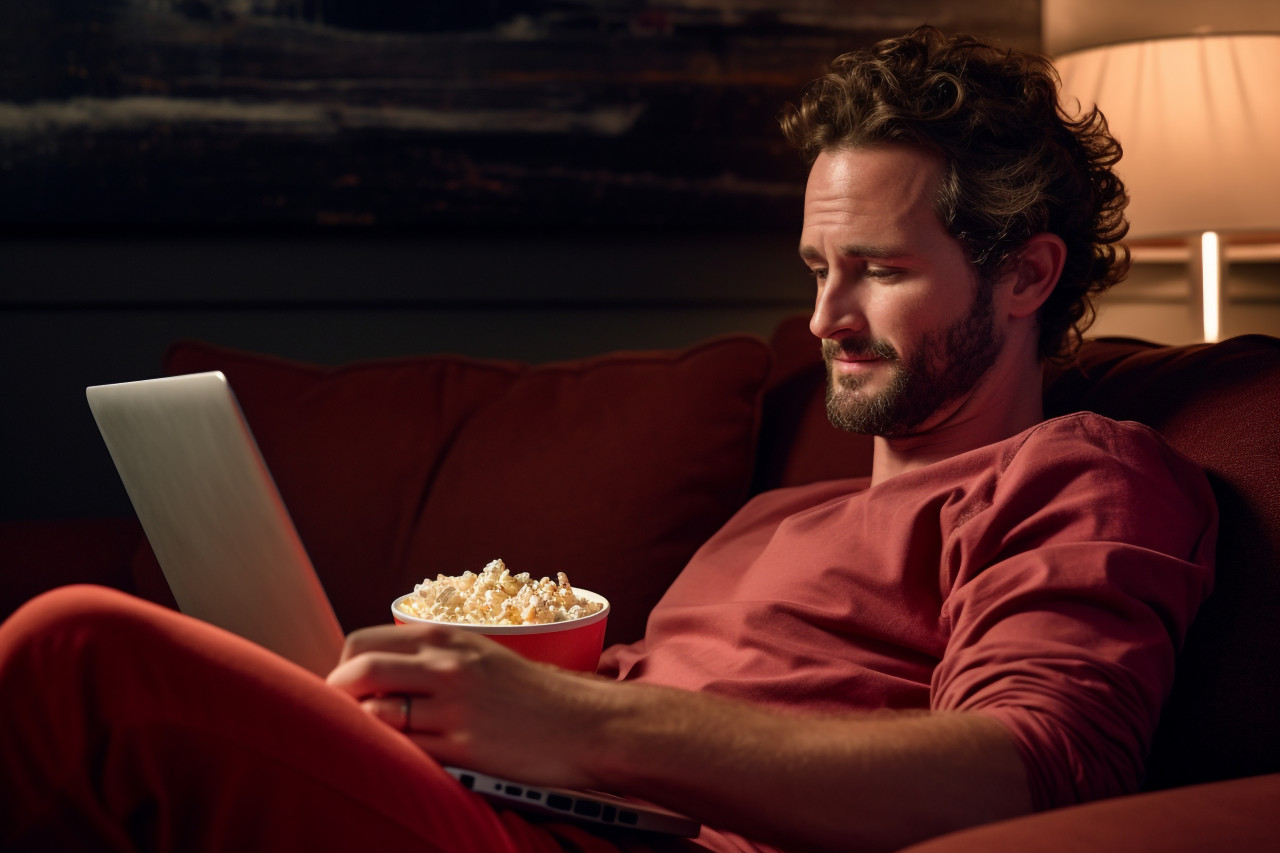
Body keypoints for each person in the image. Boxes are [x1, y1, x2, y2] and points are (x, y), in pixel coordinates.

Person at [0, 26, 1215, 853]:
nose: (823, 318)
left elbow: (1032, 770)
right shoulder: (772, 516)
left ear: (1025, 274)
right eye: (816, 268)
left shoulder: (1078, 471)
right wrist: (478, 710)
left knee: (80, 651)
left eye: (880, 270)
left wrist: (569, 722)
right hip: (532, 811)